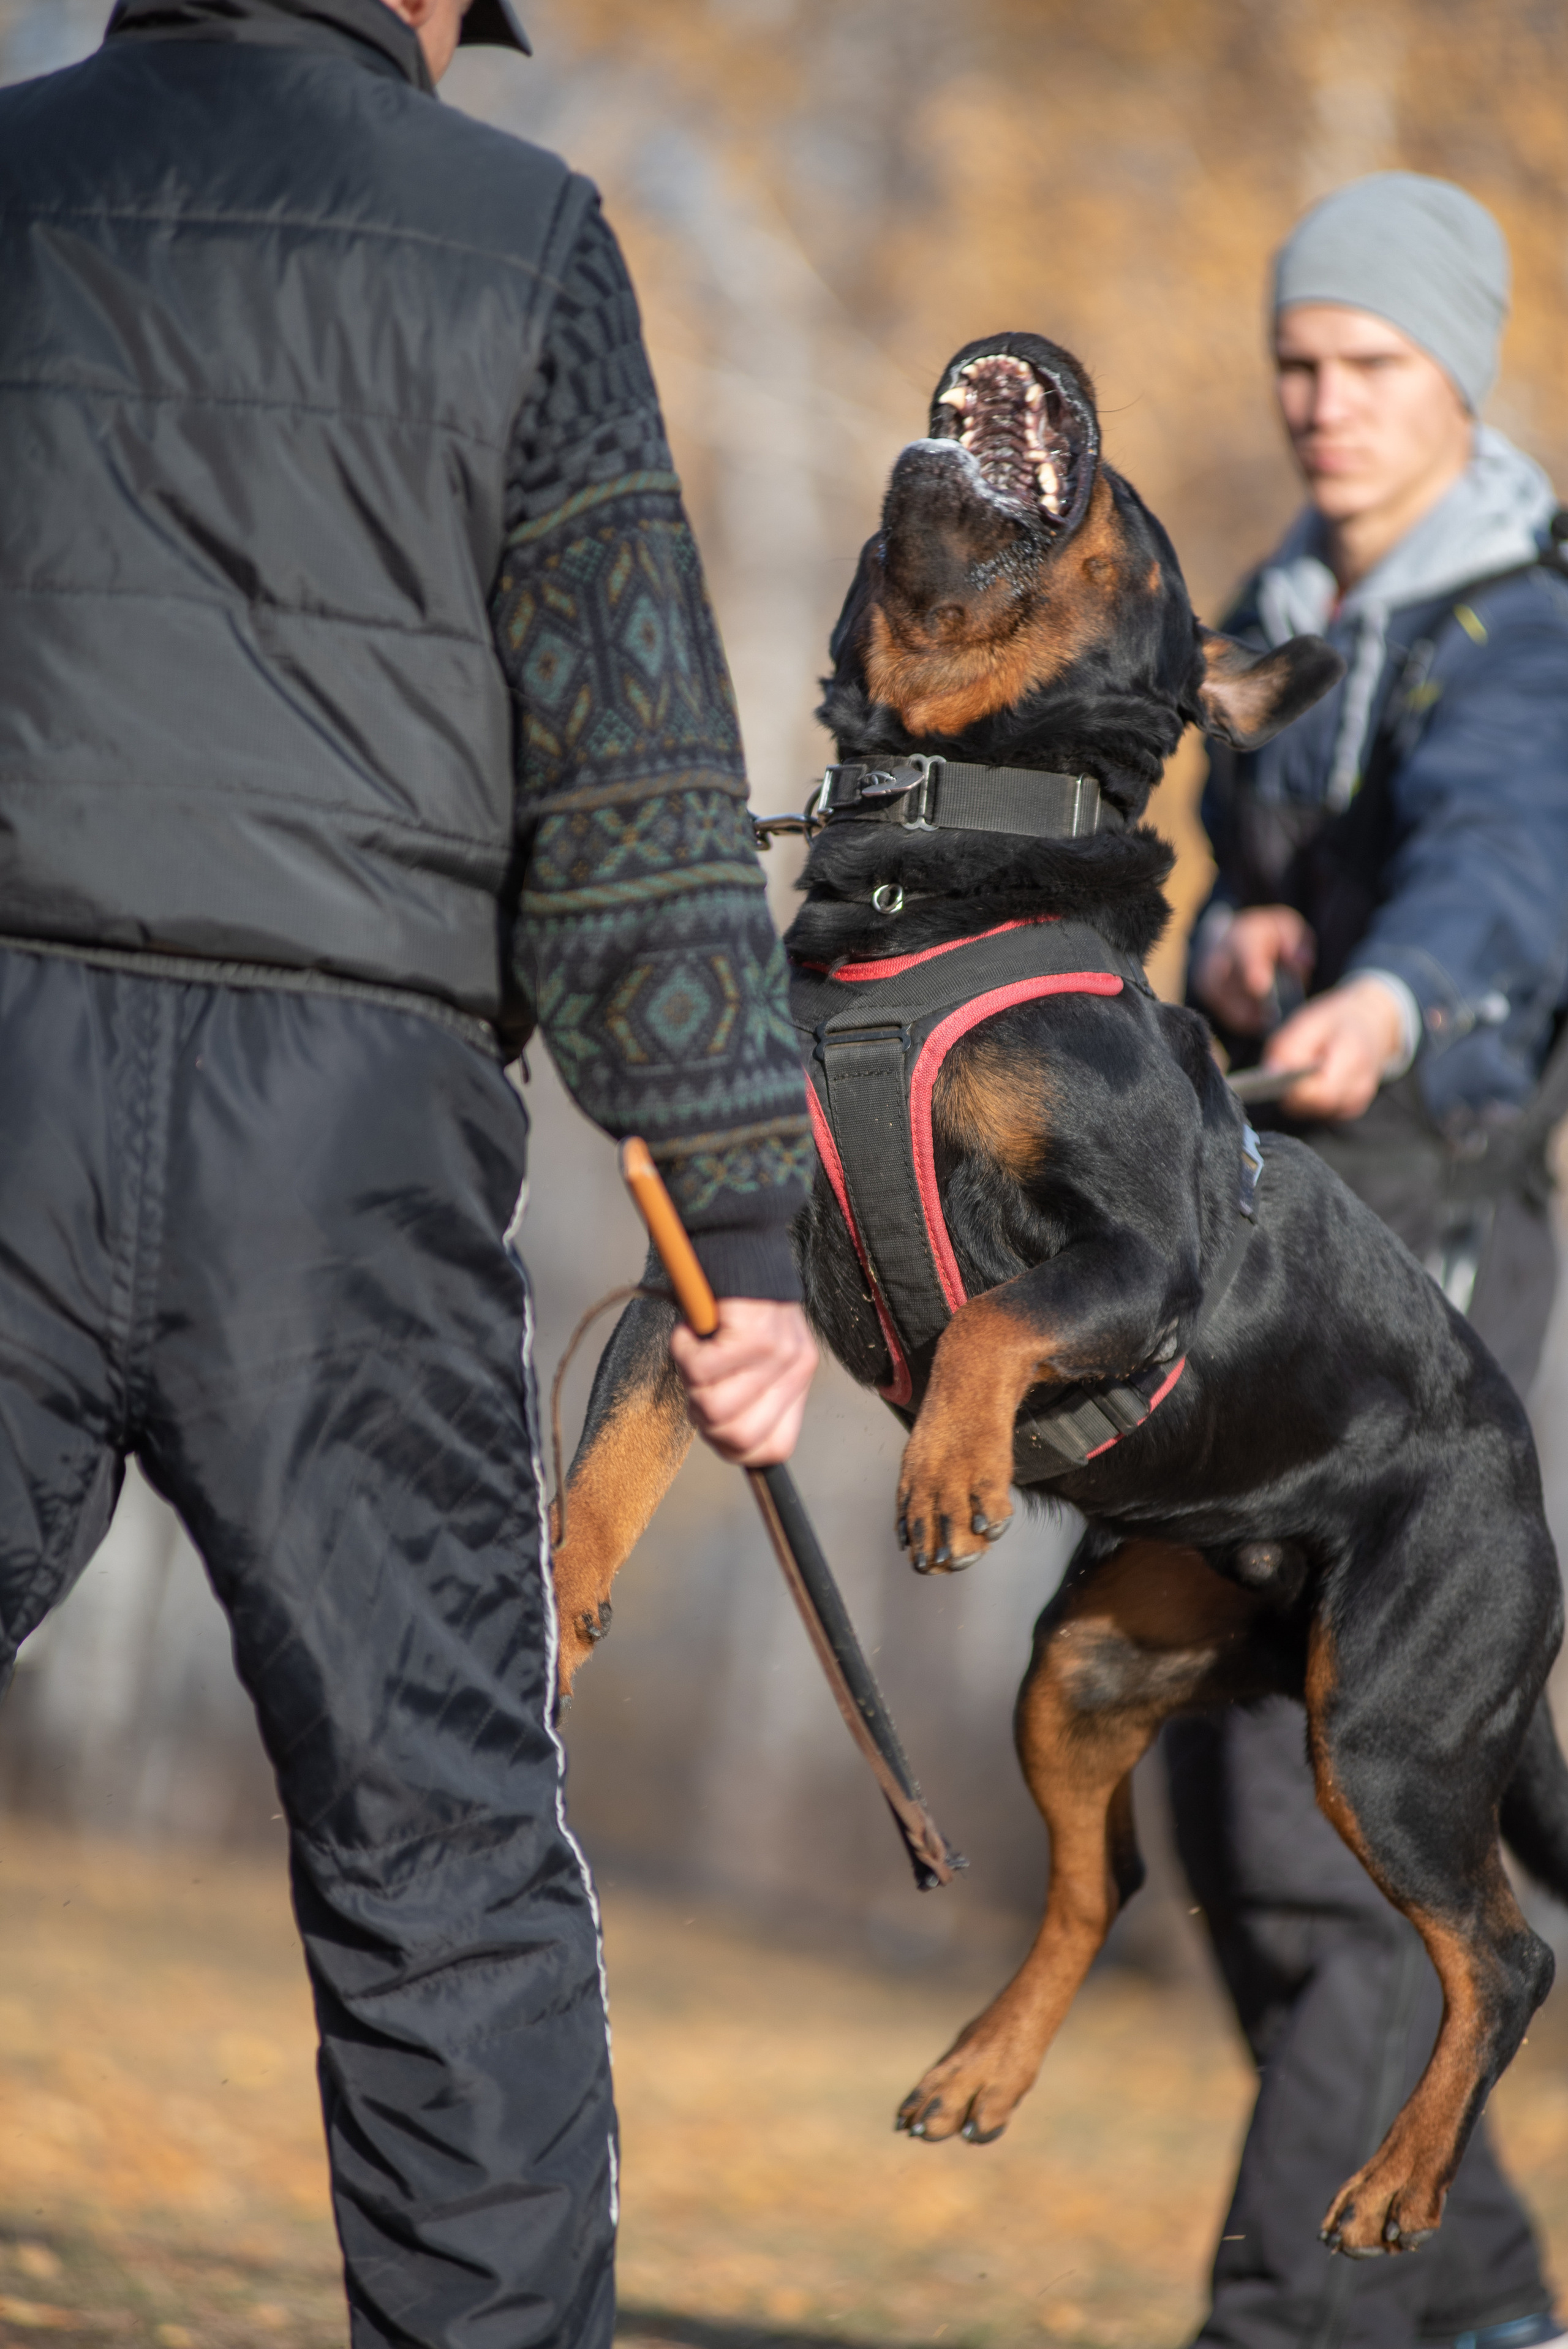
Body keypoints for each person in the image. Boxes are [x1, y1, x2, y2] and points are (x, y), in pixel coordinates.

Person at [0, 3, 816, 2344]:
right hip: (345, 1142)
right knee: (446, 1858)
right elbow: (639, 781)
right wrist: (733, 1228)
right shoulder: (521, 243)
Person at [1174, 173, 1568, 2349]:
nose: (1325, 404)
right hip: (1284, 1237)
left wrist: (1390, 995)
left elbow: (1509, 862)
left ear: (1458, 376)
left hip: (1434, 1236)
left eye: (1370, 367)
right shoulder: (1284, 606)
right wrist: (1233, 939)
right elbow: (1245, 865)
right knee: (1245, 1823)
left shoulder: (1523, 614)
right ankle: (1492, 2301)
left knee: (1341, 1826)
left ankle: (1281, 2324)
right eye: (1298, 366)